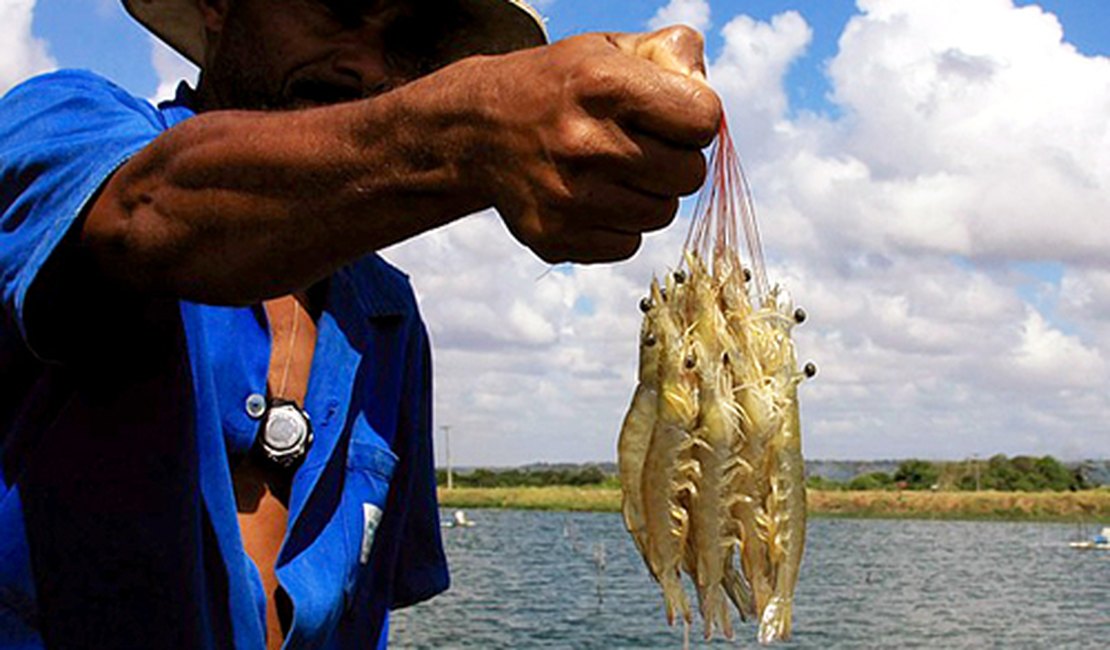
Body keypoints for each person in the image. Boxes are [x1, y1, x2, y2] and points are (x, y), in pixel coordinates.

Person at [0, 0, 721, 647]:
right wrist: (467, 133)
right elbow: (145, 217)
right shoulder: (61, 126)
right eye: (338, 8)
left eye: (408, 37)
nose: (368, 64)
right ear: (218, 4)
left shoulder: (388, 319)